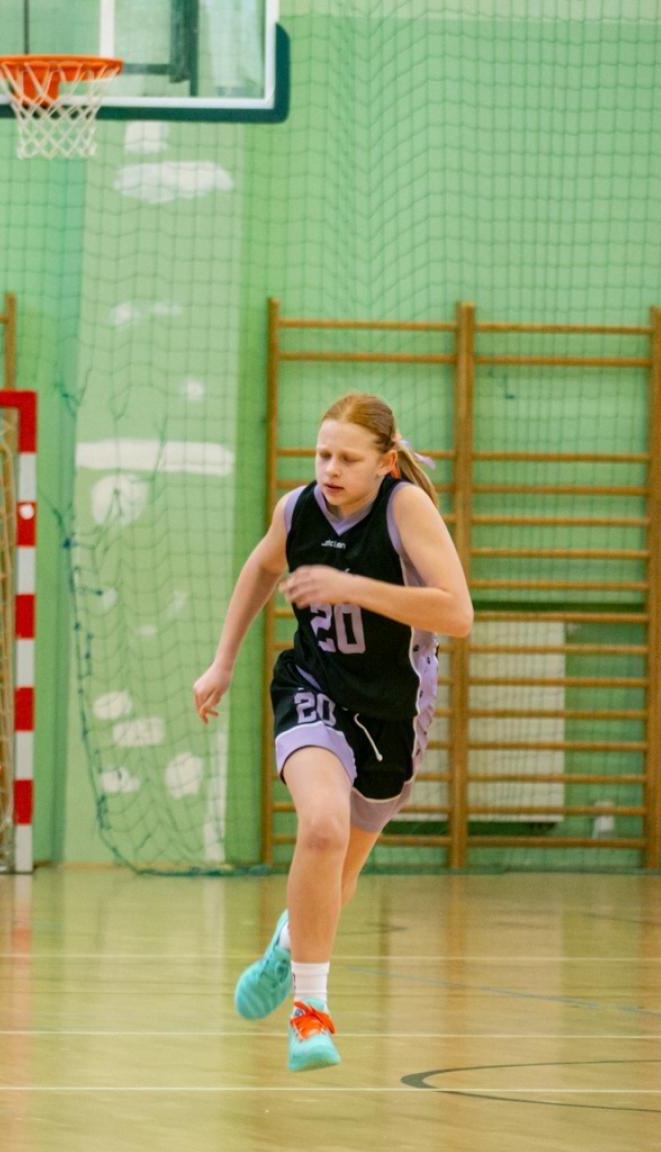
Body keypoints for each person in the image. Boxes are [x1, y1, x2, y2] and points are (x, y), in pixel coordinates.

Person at [193, 392, 471, 1072]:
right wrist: (223, 660)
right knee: (320, 827)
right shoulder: (298, 510)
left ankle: (289, 944)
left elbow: (456, 613)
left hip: (394, 709)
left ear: (384, 462)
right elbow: (261, 568)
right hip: (313, 688)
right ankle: (310, 1012)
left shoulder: (406, 508)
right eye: (322, 454)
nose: (330, 469)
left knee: (337, 875)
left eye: (348, 458)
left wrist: (354, 588)